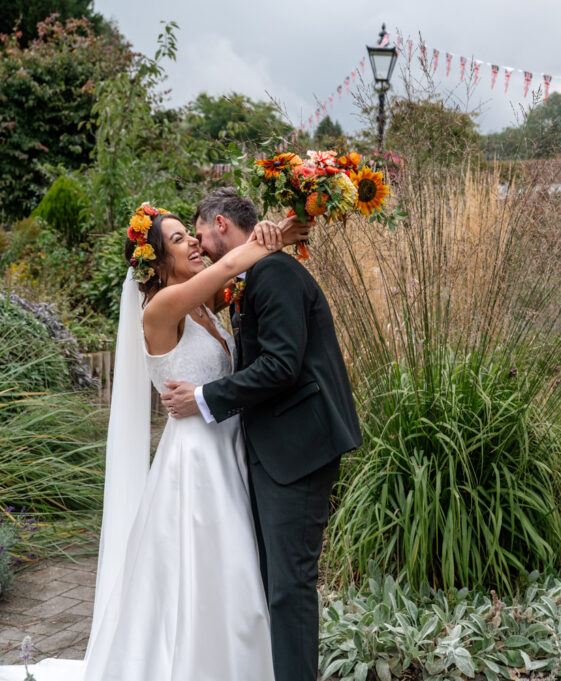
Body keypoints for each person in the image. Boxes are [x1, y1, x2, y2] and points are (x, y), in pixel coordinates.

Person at [0, 201, 306, 681]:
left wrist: (286, 223)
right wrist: (275, 236)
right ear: (157, 262)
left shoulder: (202, 305)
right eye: (180, 239)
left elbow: (233, 277)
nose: (194, 243)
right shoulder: (162, 308)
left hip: (227, 449)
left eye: (191, 234)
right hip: (196, 462)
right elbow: (229, 263)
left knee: (235, 572)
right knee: (211, 570)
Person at [160, 188, 363, 681]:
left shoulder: (272, 273)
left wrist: (204, 397)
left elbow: (280, 366)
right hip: (273, 450)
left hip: (298, 448)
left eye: (200, 232)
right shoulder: (252, 277)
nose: (200, 244)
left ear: (222, 224)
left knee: (288, 586)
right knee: (273, 581)